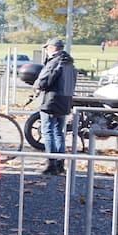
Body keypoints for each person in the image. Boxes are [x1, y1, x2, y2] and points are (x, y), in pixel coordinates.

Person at [35, 37, 76, 175]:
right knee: (59, 132)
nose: (46, 51)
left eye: (47, 48)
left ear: (52, 48)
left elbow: (44, 81)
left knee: (48, 132)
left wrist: (36, 86)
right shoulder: (70, 63)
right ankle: (60, 163)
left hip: (51, 100)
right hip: (65, 100)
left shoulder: (54, 62)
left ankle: (51, 163)